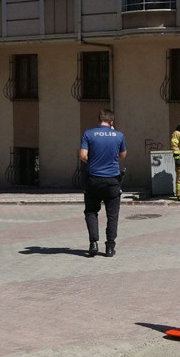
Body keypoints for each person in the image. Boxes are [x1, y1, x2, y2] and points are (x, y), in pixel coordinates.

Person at [79, 109, 127, 258]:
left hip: (93, 179)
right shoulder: (119, 135)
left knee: (91, 211)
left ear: (99, 119)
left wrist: (92, 161)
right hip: (112, 180)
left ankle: (93, 243)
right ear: (111, 121)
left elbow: (82, 156)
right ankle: (110, 247)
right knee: (112, 215)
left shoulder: (89, 134)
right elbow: (123, 155)